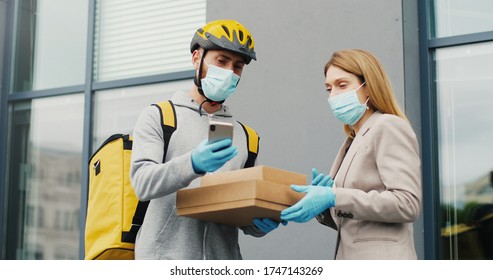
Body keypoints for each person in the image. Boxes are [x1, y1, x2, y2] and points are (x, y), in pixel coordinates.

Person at [130, 19, 281, 260]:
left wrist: (258, 223)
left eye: (238, 66)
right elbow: (142, 183)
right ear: (196, 58)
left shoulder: (247, 137)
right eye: (221, 61)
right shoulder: (160, 116)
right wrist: (192, 164)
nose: (229, 72)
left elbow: (237, 207)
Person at [281, 49, 422, 260]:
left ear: (368, 87)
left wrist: (333, 196)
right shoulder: (354, 139)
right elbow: (355, 222)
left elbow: (406, 203)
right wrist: (324, 207)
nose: (333, 95)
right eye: (329, 88)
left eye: (342, 85)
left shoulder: (388, 126)